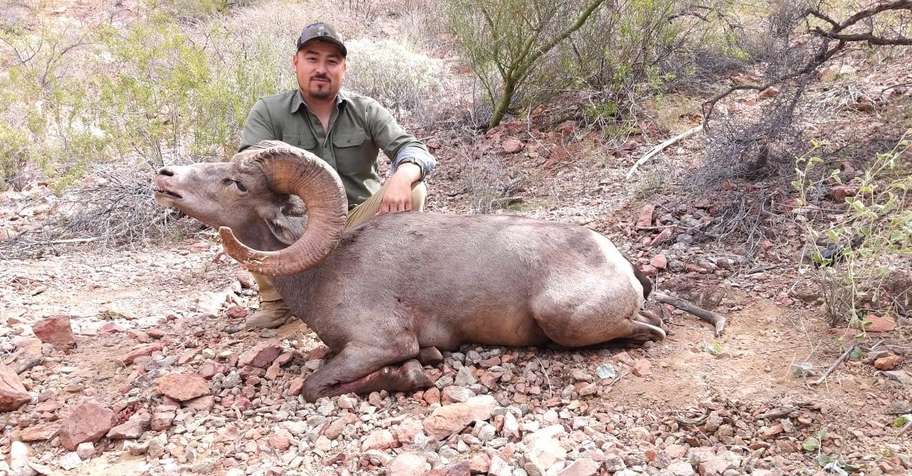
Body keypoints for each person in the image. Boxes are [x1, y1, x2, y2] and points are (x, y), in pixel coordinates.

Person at [235, 22, 436, 329]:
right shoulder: (268, 112)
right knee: (240, 202)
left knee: (415, 189)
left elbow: (414, 149)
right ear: (296, 63)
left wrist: (402, 175)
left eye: (332, 61)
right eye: (312, 58)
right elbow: (245, 169)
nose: (321, 69)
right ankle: (276, 301)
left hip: (360, 226)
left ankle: (388, 291)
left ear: (343, 68)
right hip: (297, 230)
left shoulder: (365, 110)